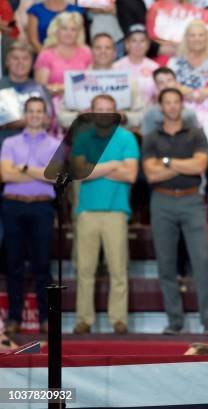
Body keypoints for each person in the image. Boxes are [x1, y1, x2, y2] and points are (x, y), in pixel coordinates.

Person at [142, 88, 208, 336]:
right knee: (166, 264)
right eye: (168, 102)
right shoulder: (152, 137)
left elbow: (198, 166)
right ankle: (174, 321)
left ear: (182, 105)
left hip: (192, 201)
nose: (173, 106)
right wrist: (180, 166)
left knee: (202, 261)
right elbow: (151, 174)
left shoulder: (196, 133)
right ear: (161, 106)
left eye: (176, 102)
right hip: (161, 201)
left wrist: (165, 162)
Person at [71, 94, 139, 335]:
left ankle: (118, 320)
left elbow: (130, 175)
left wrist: (95, 168)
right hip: (87, 212)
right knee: (84, 270)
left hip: (115, 212)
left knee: (118, 270)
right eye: (99, 109)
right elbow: (79, 172)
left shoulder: (126, 138)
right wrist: (113, 165)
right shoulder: (82, 138)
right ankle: (84, 320)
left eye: (108, 109)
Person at [0, 97, 60, 335]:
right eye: (31, 111)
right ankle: (15, 317)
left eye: (39, 111)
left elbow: (55, 177)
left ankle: (46, 318)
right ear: (26, 114)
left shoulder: (55, 144)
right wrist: (39, 173)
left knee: (42, 265)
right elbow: (5, 175)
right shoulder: (10, 143)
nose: (35, 115)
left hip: (42, 208)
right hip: (12, 207)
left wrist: (23, 169)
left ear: (46, 116)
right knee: (13, 265)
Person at [57, 33, 144, 130]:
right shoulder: (78, 79)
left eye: (107, 48)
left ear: (114, 53)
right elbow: (61, 116)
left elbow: (141, 114)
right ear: (91, 52)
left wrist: (124, 117)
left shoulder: (127, 80)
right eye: (98, 48)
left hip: (117, 139)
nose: (103, 51)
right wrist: (79, 116)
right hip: (85, 138)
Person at [168, 20, 208, 123]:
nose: (197, 39)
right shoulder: (174, 62)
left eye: (201, 35)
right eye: (192, 35)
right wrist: (180, 89)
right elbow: (166, 83)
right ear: (186, 38)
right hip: (180, 115)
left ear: (207, 38)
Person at [0, 42, 52, 143]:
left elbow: (47, 121)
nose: (20, 62)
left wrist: (9, 122)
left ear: (32, 63)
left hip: (36, 147)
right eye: (15, 58)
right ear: (7, 62)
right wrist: (33, 119)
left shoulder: (40, 88)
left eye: (25, 58)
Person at [33, 11, 91, 97]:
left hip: (82, 102)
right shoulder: (45, 55)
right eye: (64, 29)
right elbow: (41, 89)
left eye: (73, 29)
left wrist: (62, 87)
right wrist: (70, 87)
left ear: (78, 33)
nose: (69, 33)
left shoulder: (86, 52)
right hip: (54, 105)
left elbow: (91, 81)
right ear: (56, 31)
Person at [141, 67, 199, 137]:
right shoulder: (150, 113)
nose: (166, 85)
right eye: (161, 82)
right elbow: (147, 140)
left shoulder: (189, 114)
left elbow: (196, 138)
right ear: (156, 86)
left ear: (176, 83)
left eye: (169, 80)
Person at [114, 24, 160, 105]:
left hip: (148, 112)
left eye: (142, 41)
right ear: (127, 44)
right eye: (134, 41)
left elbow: (159, 96)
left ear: (147, 45)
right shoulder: (116, 67)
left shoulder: (155, 67)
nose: (138, 44)